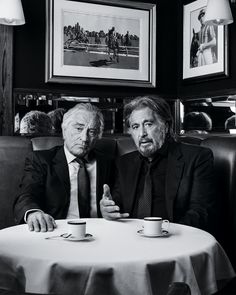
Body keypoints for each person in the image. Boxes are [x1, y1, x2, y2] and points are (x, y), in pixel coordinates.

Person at [100, 96, 215, 231]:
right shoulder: (124, 163)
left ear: (165, 126)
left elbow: (200, 212)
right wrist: (108, 209)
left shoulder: (197, 157)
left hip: (174, 239)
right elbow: (117, 205)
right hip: (130, 238)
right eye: (135, 127)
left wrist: (164, 233)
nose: (142, 133)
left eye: (148, 124)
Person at [14, 103, 114, 232]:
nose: (84, 138)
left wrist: (111, 208)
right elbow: (27, 194)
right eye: (79, 128)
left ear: (98, 136)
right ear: (64, 130)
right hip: (56, 232)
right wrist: (34, 213)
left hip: (100, 233)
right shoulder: (41, 160)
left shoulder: (108, 162)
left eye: (92, 131)